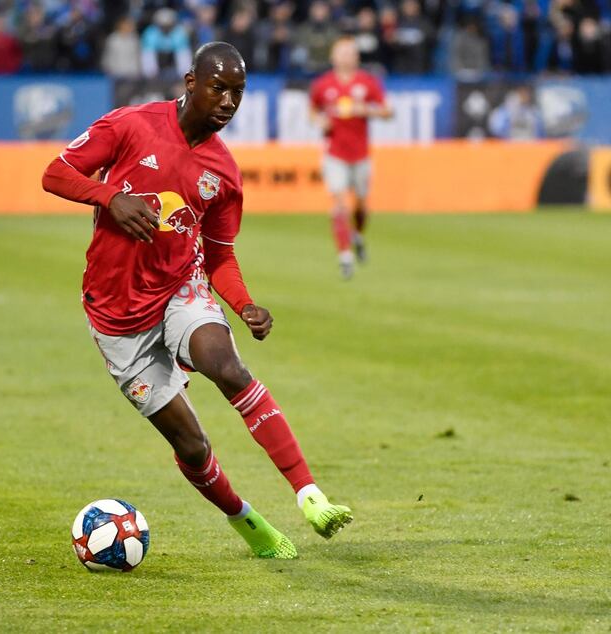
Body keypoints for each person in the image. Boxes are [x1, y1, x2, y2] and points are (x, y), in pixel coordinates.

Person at [42, 42, 353, 560]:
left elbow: (221, 258)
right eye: (219, 87)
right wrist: (109, 197)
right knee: (192, 446)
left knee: (225, 364)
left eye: (238, 92)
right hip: (117, 317)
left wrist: (244, 303)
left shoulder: (224, 176)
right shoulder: (131, 125)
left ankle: (309, 494)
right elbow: (54, 173)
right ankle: (246, 520)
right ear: (191, 83)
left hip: (178, 289)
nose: (228, 101)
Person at [309, 37, 392, 279]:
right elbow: (313, 110)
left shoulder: (367, 83)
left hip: (360, 155)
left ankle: (358, 235)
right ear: (333, 57)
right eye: (341, 52)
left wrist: (365, 109)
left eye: (350, 53)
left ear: (356, 57)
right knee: (339, 204)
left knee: (361, 206)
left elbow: (387, 111)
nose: (346, 57)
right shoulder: (323, 85)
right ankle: (344, 257)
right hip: (335, 154)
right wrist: (319, 121)